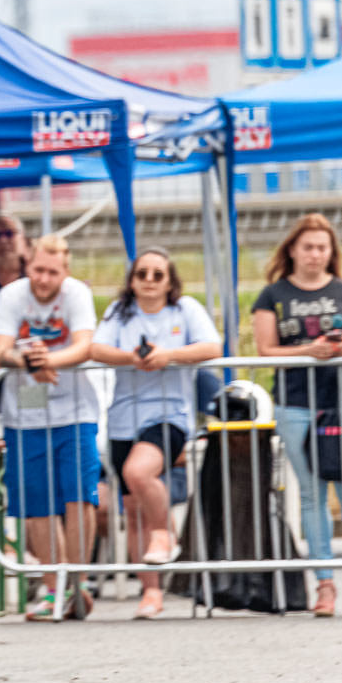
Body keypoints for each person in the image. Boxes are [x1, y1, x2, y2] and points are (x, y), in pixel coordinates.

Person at [253, 213, 342, 617]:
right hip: (295, 402)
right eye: (307, 246)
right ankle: (324, 583)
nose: (315, 254)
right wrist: (308, 351)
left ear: (331, 252)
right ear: (292, 250)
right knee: (312, 494)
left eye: (322, 247)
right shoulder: (272, 295)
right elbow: (265, 350)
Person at [89, 247, 221, 619]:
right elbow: (97, 348)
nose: (149, 280)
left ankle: (163, 532)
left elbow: (213, 346)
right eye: (142, 273)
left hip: (168, 413)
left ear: (169, 281)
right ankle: (151, 591)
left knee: (139, 471)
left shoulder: (185, 309)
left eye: (157, 274)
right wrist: (132, 358)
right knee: (132, 510)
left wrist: (169, 356)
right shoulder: (120, 311)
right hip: (123, 417)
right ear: (132, 280)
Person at [0, 234, 99, 621]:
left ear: (65, 271)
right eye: (37, 270)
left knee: (79, 496)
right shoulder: (12, 295)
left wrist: (46, 360)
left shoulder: (77, 294)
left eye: (52, 272)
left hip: (75, 408)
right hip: (26, 409)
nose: (44, 279)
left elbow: (84, 346)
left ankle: (78, 583)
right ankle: (54, 587)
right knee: (37, 502)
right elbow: (0, 350)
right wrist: (30, 363)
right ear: (28, 265)